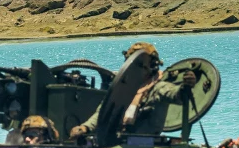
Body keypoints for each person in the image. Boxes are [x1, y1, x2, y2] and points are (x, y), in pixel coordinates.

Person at [68, 42, 197, 142]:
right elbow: (103, 113)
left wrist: (185, 87)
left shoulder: (158, 88)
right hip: (118, 143)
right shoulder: (123, 88)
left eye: (139, 64)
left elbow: (176, 95)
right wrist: (85, 128)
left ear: (151, 66)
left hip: (147, 144)